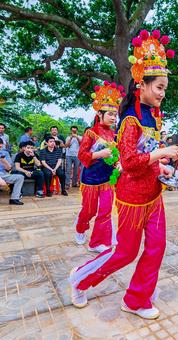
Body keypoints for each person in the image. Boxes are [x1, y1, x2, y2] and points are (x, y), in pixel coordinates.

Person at [68, 29, 178, 319]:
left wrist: (162, 166)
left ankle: (136, 299)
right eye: (159, 87)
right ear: (141, 86)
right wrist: (163, 153)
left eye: (165, 88)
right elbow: (130, 162)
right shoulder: (130, 119)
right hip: (131, 198)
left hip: (153, 194)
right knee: (126, 253)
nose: (162, 93)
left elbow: (149, 154)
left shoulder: (153, 116)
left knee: (157, 247)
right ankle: (80, 279)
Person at [75, 81, 123, 251]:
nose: (113, 118)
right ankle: (81, 226)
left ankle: (96, 243)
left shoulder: (113, 134)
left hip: (107, 179)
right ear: (99, 114)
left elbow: (116, 154)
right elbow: (82, 155)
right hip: (90, 179)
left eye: (115, 115)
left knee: (105, 211)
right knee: (89, 211)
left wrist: (118, 164)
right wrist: (98, 154)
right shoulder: (91, 132)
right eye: (110, 114)